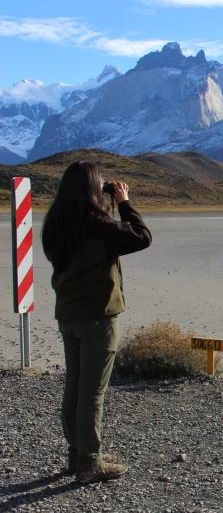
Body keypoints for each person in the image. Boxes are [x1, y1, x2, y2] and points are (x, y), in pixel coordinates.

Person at [41, 161, 152, 484]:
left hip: (69, 314)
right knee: (93, 391)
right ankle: (90, 462)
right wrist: (124, 202)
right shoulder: (98, 225)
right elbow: (141, 236)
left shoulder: (55, 225)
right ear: (93, 190)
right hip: (98, 317)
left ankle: (76, 454)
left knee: (75, 385)